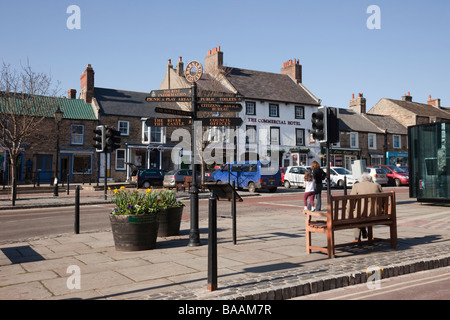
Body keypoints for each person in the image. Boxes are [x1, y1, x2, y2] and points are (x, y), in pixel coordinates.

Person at [350, 172, 383, 241]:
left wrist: (350, 211)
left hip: (361, 214)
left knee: (357, 215)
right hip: (375, 213)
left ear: (361, 179)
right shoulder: (377, 186)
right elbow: (383, 201)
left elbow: (351, 201)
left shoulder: (356, 186)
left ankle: (357, 238)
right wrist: (382, 211)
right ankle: (364, 231)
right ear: (370, 179)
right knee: (362, 214)